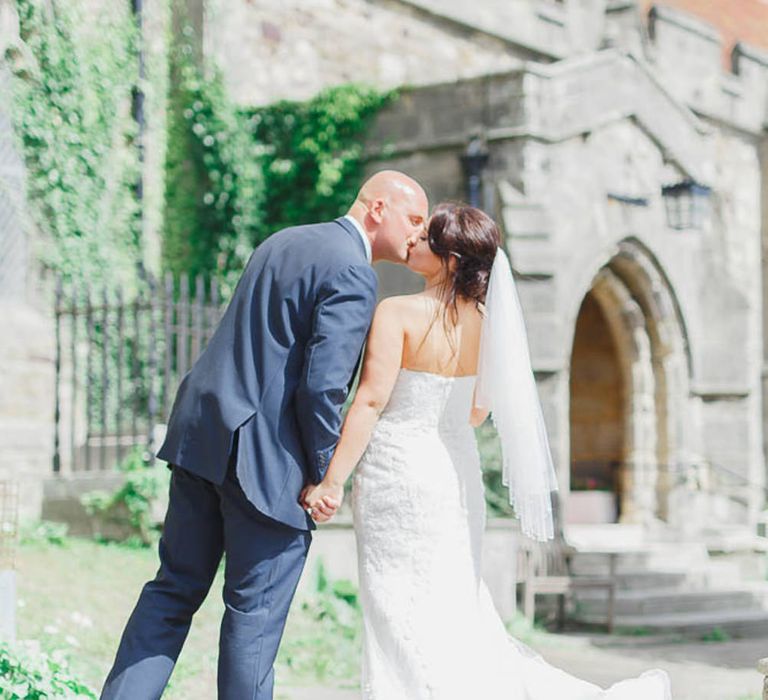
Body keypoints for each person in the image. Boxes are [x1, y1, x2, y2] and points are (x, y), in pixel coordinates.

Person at [303, 203, 672, 699]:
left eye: (426, 238)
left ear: (451, 260)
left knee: (397, 600)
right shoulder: (491, 326)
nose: (413, 241)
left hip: (399, 472)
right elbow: (478, 413)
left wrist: (331, 481)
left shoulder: (397, 313)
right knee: (454, 603)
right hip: (455, 477)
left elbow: (369, 401)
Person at [100, 171, 429, 700]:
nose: (419, 233)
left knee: (172, 591)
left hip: (203, 438)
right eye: (413, 218)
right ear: (377, 208)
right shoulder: (354, 271)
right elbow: (323, 388)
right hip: (267, 465)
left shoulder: (283, 240)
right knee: (253, 618)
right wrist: (325, 473)